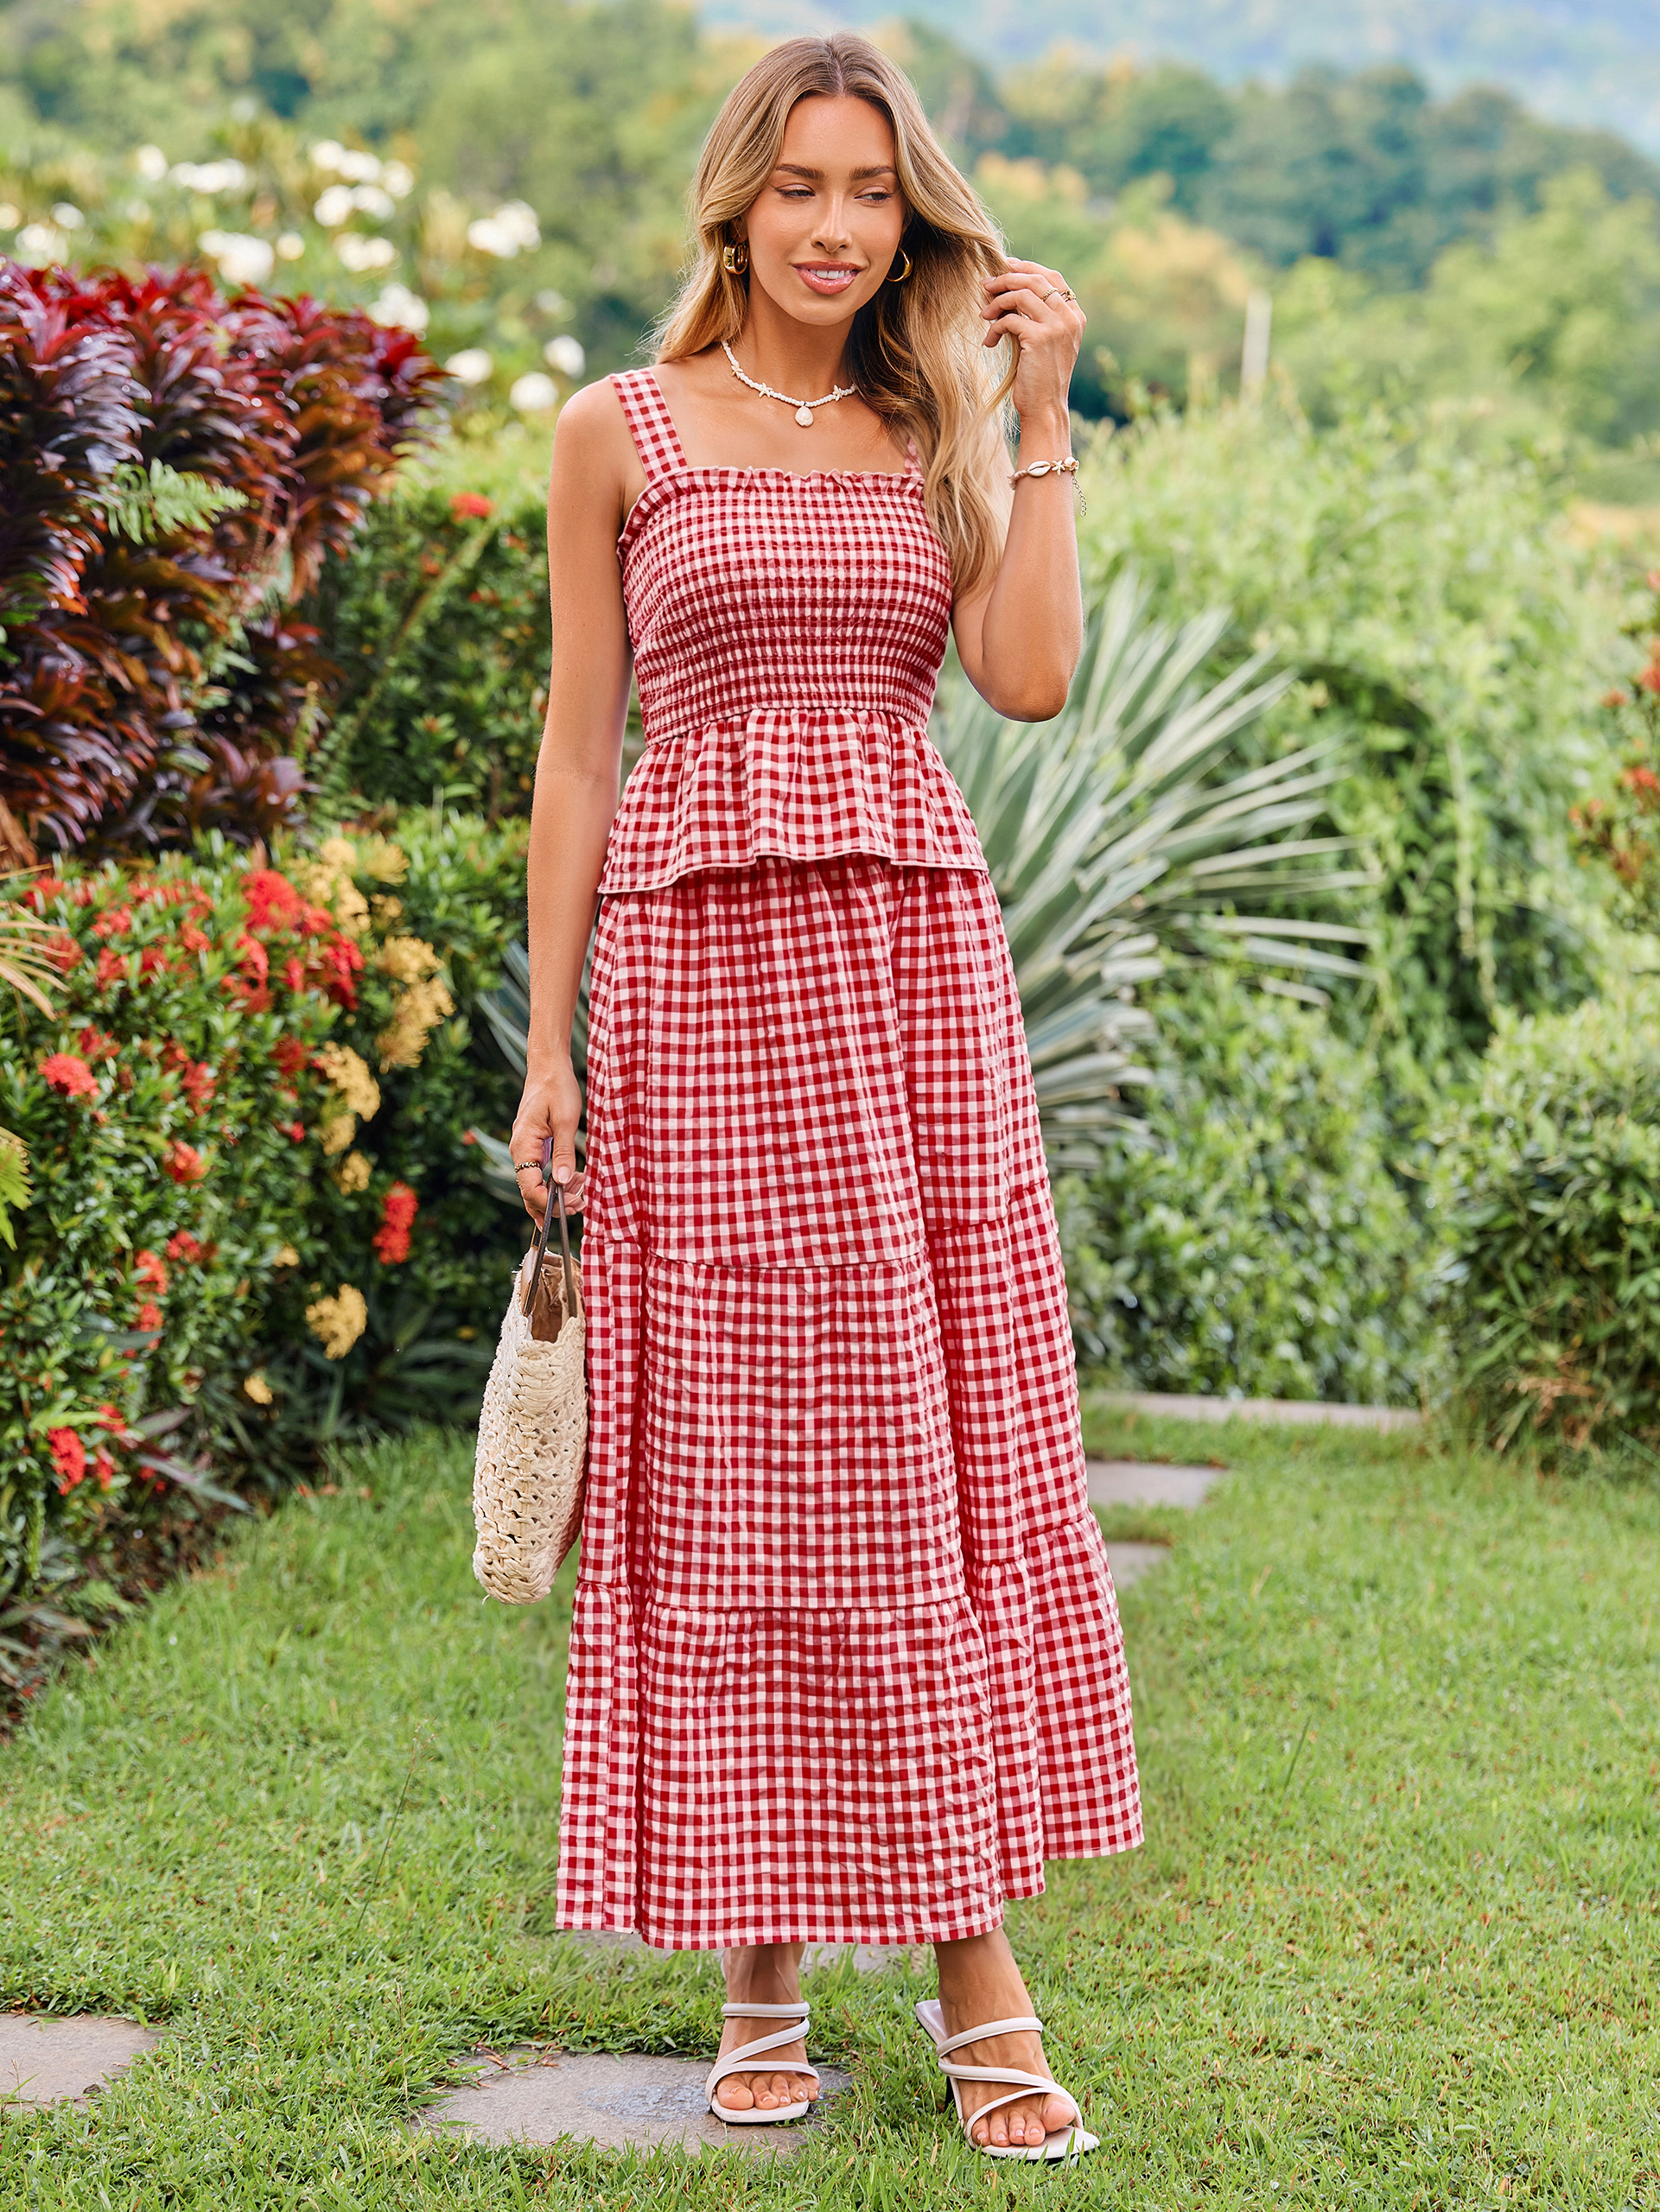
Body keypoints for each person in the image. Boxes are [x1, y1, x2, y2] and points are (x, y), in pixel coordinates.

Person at [508, 29, 1140, 2162]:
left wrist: (1041, 415)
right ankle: (760, 1940)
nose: (837, 225)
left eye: (873, 189)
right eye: (801, 185)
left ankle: (971, 1943)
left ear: (910, 210)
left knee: (919, 1443)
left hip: (908, 996)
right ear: (733, 199)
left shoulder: (935, 416)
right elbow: (581, 749)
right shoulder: (617, 429)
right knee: (736, 1450)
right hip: (693, 985)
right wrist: (548, 1037)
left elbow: (1030, 678)